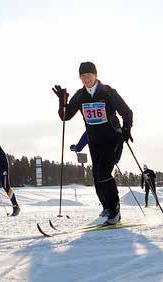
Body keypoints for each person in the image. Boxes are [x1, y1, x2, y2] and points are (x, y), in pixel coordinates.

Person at [53, 62, 133, 225]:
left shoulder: (108, 92)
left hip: (112, 138)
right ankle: (106, 207)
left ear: (96, 75)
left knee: (103, 171)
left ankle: (114, 209)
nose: (86, 79)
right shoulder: (80, 95)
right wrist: (62, 101)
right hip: (95, 141)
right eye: (82, 76)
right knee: (97, 174)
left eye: (89, 75)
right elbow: (65, 116)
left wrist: (126, 129)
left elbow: (126, 112)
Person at [71, 132, 107, 215]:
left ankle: (113, 208)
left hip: (107, 157)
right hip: (96, 160)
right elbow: (82, 142)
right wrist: (76, 148)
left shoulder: (105, 126)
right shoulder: (89, 130)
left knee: (105, 179)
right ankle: (106, 207)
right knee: (98, 182)